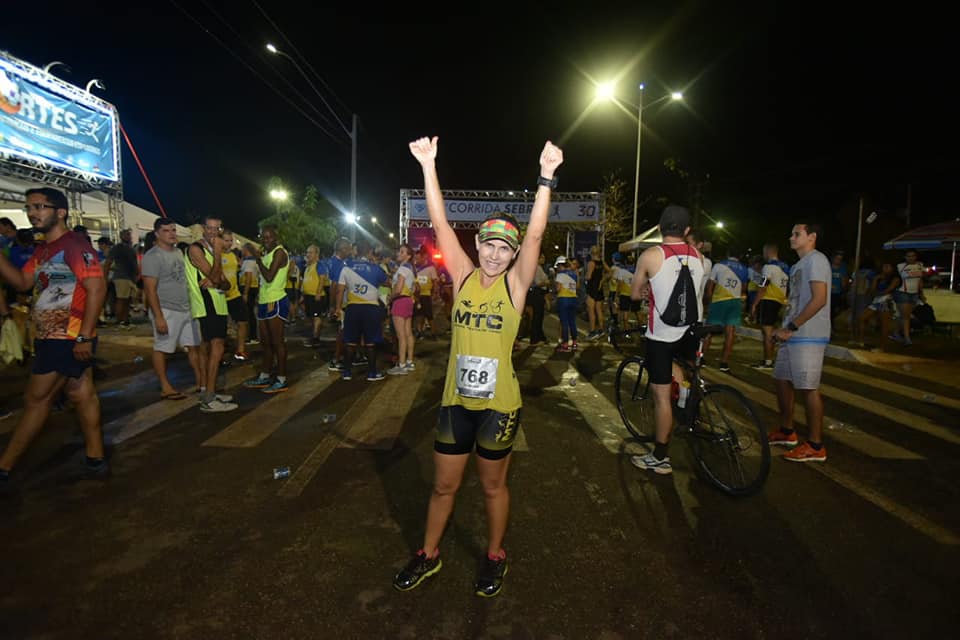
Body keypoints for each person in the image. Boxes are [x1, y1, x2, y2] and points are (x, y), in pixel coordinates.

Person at [392, 135, 563, 598]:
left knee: (491, 487)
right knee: (443, 487)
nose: (494, 254)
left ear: (513, 255)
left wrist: (545, 177)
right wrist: (428, 165)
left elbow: (535, 234)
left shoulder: (515, 287)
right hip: (455, 404)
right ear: (479, 244)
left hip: (498, 407)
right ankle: (428, 553)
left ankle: (494, 555)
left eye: (504, 249)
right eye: (489, 245)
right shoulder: (464, 276)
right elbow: (440, 222)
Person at [0, 187, 109, 492]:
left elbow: (97, 289)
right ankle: (96, 458)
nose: (32, 213)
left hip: (67, 335)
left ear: (60, 212)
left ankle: (4, 467)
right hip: (53, 335)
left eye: (39, 207)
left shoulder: (74, 245)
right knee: (81, 393)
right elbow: (23, 282)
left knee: (36, 400)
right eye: (29, 207)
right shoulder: (43, 250)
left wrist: (84, 336)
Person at [628, 206, 705, 475]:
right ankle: (684, 394)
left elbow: (634, 294)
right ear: (687, 230)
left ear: (660, 228)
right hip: (692, 331)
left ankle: (660, 457)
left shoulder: (651, 255)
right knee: (681, 366)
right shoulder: (699, 256)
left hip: (661, 334)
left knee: (661, 398)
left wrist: (647, 291)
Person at [768, 223, 832, 462]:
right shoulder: (798, 265)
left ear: (812, 237)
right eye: (792, 233)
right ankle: (787, 431)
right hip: (793, 334)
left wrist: (791, 328)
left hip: (808, 334)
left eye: (797, 234)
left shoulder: (816, 260)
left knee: (808, 388)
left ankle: (815, 446)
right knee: (782, 380)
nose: (791, 237)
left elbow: (819, 299)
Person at [141, 218, 205, 400]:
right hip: (167, 309)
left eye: (173, 230)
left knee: (194, 346)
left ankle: (201, 381)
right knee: (163, 348)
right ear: (157, 233)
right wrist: (159, 316)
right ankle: (165, 386)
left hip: (186, 307)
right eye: (166, 230)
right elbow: (150, 289)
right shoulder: (153, 256)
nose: (171, 234)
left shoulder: (178, 252)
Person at [184, 216, 237, 412]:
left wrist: (216, 279)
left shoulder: (210, 248)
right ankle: (208, 398)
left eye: (217, 229)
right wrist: (217, 254)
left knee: (213, 349)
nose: (213, 232)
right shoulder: (196, 248)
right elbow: (215, 277)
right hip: (207, 305)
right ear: (203, 228)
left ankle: (209, 392)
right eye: (209, 228)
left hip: (218, 304)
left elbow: (225, 284)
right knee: (215, 348)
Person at [243, 226, 290, 393]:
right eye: (263, 237)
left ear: (276, 237)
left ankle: (281, 378)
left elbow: (269, 276)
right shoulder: (267, 253)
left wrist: (257, 259)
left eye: (269, 237)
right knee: (265, 343)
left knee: (277, 342)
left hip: (275, 300)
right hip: (264, 301)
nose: (266, 240)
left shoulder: (279, 252)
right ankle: (265, 375)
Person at [335, 241, 387, 382]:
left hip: (352, 308)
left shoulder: (346, 268)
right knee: (370, 342)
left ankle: (347, 372)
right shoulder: (375, 268)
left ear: (356, 251)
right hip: (371, 308)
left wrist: (338, 308)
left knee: (350, 341)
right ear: (370, 252)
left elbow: (340, 290)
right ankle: (372, 373)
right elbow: (387, 282)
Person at [703, 247, 748, 372]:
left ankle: (701, 358)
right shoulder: (744, 269)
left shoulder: (719, 265)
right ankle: (724, 363)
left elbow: (710, 284)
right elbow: (744, 288)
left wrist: (708, 299)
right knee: (730, 333)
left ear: (728, 253)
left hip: (719, 301)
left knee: (709, 330)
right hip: (735, 302)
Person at [749, 243, 790, 369]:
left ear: (767, 252)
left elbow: (763, 287)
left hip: (769, 300)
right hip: (780, 301)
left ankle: (768, 361)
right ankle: (770, 359)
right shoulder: (786, 267)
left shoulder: (768, 267)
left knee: (767, 332)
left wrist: (754, 304)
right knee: (772, 332)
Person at [218, 229, 250, 362]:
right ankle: (220, 354)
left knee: (243, 321)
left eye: (231, 240)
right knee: (221, 327)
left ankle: (240, 350)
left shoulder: (232, 255)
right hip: (221, 296)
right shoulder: (216, 256)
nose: (229, 243)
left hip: (235, 294)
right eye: (226, 240)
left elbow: (238, 268)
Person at [388, 244, 417, 374]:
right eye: (399, 251)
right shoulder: (411, 269)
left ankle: (401, 365)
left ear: (408, 256)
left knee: (401, 336)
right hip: (408, 301)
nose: (398, 254)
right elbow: (414, 288)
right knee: (408, 333)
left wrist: (390, 298)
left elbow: (398, 289)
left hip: (399, 301)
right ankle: (409, 362)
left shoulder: (403, 269)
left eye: (402, 252)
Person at [855, 260, 900, 347]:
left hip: (886, 301)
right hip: (876, 301)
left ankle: (882, 347)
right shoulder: (879, 277)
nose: (885, 268)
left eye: (888, 266)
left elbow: (889, 289)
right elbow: (872, 290)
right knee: (862, 318)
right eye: (884, 266)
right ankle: (861, 340)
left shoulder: (895, 278)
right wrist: (876, 279)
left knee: (884, 325)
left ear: (892, 268)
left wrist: (877, 293)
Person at [326, 237, 354, 372]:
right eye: (349, 248)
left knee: (345, 330)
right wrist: (333, 306)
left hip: (340, 302)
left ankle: (347, 356)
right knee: (343, 331)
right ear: (343, 249)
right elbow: (334, 286)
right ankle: (336, 359)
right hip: (341, 303)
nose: (351, 251)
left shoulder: (334, 261)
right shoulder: (338, 264)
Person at [102, 228, 139, 329]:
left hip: (130, 277)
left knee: (128, 300)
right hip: (121, 277)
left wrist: (136, 275)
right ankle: (120, 321)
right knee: (121, 299)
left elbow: (134, 263)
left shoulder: (130, 248)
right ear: (121, 236)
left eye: (129, 235)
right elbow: (108, 263)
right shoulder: (117, 248)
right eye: (127, 235)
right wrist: (105, 277)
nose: (129, 237)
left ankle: (125, 320)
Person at [889, 249, 926, 346]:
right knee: (906, 317)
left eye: (913, 256)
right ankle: (907, 338)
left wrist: (921, 293)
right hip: (902, 293)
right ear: (905, 257)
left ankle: (896, 333)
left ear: (916, 256)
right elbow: (895, 278)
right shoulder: (900, 266)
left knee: (903, 316)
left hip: (914, 294)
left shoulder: (920, 265)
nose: (911, 258)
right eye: (908, 256)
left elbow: (920, 280)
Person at [301, 245, 326, 348]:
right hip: (308, 296)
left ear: (316, 254)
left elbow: (322, 279)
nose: (308, 254)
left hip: (316, 296)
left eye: (311, 252)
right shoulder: (308, 266)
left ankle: (316, 339)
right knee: (312, 317)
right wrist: (303, 295)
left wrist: (318, 293)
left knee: (316, 317)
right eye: (307, 252)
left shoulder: (319, 265)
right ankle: (314, 336)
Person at [554, 255, 579, 351]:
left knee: (564, 322)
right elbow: (576, 287)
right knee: (572, 321)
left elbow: (558, 288)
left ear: (562, 266)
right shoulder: (574, 274)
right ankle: (575, 342)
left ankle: (565, 343)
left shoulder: (560, 275)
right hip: (573, 299)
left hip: (563, 299)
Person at [414, 248, 439, 339]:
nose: (416, 260)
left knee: (429, 314)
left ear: (423, 258)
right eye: (415, 258)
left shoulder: (431, 268)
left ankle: (433, 333)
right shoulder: (415, 269)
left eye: (417, 258)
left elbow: (435, 282)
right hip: (416, 296)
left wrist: (435, 293)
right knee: (419, 314)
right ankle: (419, 331)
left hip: (426, 294)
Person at [584, 245, 607, 340]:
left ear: (591, 253)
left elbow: (588, 277)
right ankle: (601, 330)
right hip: (599, 288)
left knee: (591, 311)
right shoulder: (602, 262)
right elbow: (610, 271)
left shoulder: (591, 263)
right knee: (599, 310)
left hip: (592, 288)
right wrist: (602, 280)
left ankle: (592, 332)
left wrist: (584, 276)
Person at [240, 243, 260, 345]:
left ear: (246, 250)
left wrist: (245, 293)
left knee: (249, 313)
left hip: (249, 288)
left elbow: (248, 277)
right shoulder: (254, 261)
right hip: (253, 287)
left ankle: (252, 336)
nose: (241, 251)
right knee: (250, 312)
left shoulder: (248, 262)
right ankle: (252, 336)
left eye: (242, 249)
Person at [829, 251, 850, 327]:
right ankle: (830, 326)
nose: (838, 261)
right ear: (833, 259)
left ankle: (832, 325)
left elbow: (844, 282)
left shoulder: (843, 268)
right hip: (827, 293)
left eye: (840, 259)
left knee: (836, 310)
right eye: (837, 258)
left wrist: (844, 288)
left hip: (837, 293)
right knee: (829, 311)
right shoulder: (828, 266)